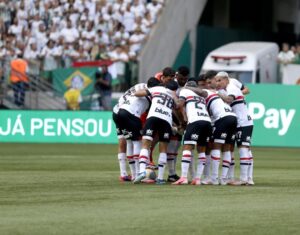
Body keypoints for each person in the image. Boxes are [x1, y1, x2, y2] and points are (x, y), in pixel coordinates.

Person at [133, 79, 178, 184]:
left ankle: (141, 172)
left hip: (153, 117)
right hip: (166, 120)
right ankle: (161, 178)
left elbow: (137, 94)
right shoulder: (172, 95)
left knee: (145, 145)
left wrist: (146, 91)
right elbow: (176, 107)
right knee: (163, 149)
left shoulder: (156, 88)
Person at [216, 72, 254, 185]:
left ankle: (245, 178)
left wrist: (217, 94)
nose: (217, 83)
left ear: (226, 80)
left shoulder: (231, 86)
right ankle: (243, 178)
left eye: (220, 81)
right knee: (240, 149)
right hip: (237, 122)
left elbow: (229, 100)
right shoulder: (226, 88)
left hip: (244, 122)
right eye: (216, 81)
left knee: (243, 149)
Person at [172, 81, 212, 185]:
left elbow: (178, 105)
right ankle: (197, 179)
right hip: (207, 122)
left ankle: (184, 177)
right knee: (201, 150)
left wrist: (174, 96)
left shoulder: (185, 91)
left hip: (195, 121)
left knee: (187, 147)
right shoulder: (201, 97)